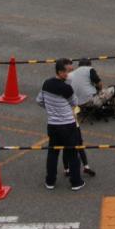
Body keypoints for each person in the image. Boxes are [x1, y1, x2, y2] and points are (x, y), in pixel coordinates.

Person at [37, 58, 84, 191]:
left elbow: (39, 100)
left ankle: (50, 181)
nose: (70, 74)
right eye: (68, 71)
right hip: (68, 125)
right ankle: (76, 182)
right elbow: (75, 102)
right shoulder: (66, 88)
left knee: (53, 153)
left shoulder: (46, 83)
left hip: (53, 125)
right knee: (72, 153)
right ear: (60, 72)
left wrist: (51, 109)